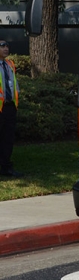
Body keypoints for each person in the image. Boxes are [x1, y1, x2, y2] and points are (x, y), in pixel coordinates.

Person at [0, 39, 21, 177]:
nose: (6, 48)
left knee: (8, 138)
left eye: (7, 45)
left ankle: (5, 166)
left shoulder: (9, 64)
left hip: (9, 107)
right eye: (2, 46)